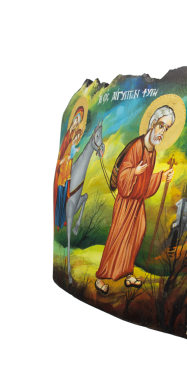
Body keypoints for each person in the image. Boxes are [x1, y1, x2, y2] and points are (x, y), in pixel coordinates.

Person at [95, 106, 175, 294]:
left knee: (136, 235)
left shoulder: (152, 152)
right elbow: (123, 179)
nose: (162, 132)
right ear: (152, 123)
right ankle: (101, 277)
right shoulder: (136, 147)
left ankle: (127, 273)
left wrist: (161, 176)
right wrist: (134, 172)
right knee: (118, 238)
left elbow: (145, 185)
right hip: (125, 202)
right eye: (161, 125)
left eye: (166, 128)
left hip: (137, 203)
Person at [53, 108, 84, 233]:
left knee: (65, 197)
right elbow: (62, 153)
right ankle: (58, 222)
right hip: (62, 171)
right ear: (73, 119)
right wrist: (61, 161)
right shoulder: (67, 135)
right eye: (76, 120)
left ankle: (63, 220)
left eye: (78, 122)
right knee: (60, 196)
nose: (76, 123)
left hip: (67, 170)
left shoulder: (72, 136)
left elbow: (70, 152)